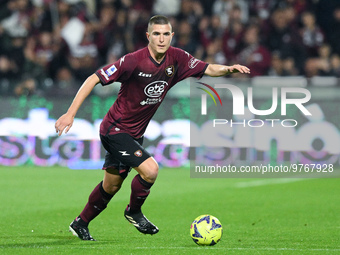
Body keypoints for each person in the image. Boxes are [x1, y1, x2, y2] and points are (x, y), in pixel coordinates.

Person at [55, 15, 250, 241]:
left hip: (135, 134)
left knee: (111, 185)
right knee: (151, 170)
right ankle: (133, 212)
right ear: (148, 36)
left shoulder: (177, 58)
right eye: (156, 34)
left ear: (171, 36)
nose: (161, 38)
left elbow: (208, 68)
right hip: (115, 129)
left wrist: (230, 69)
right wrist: (70, 114)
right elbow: (93, 78)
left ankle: (80, 223)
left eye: (166, 34)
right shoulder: (133, 61)